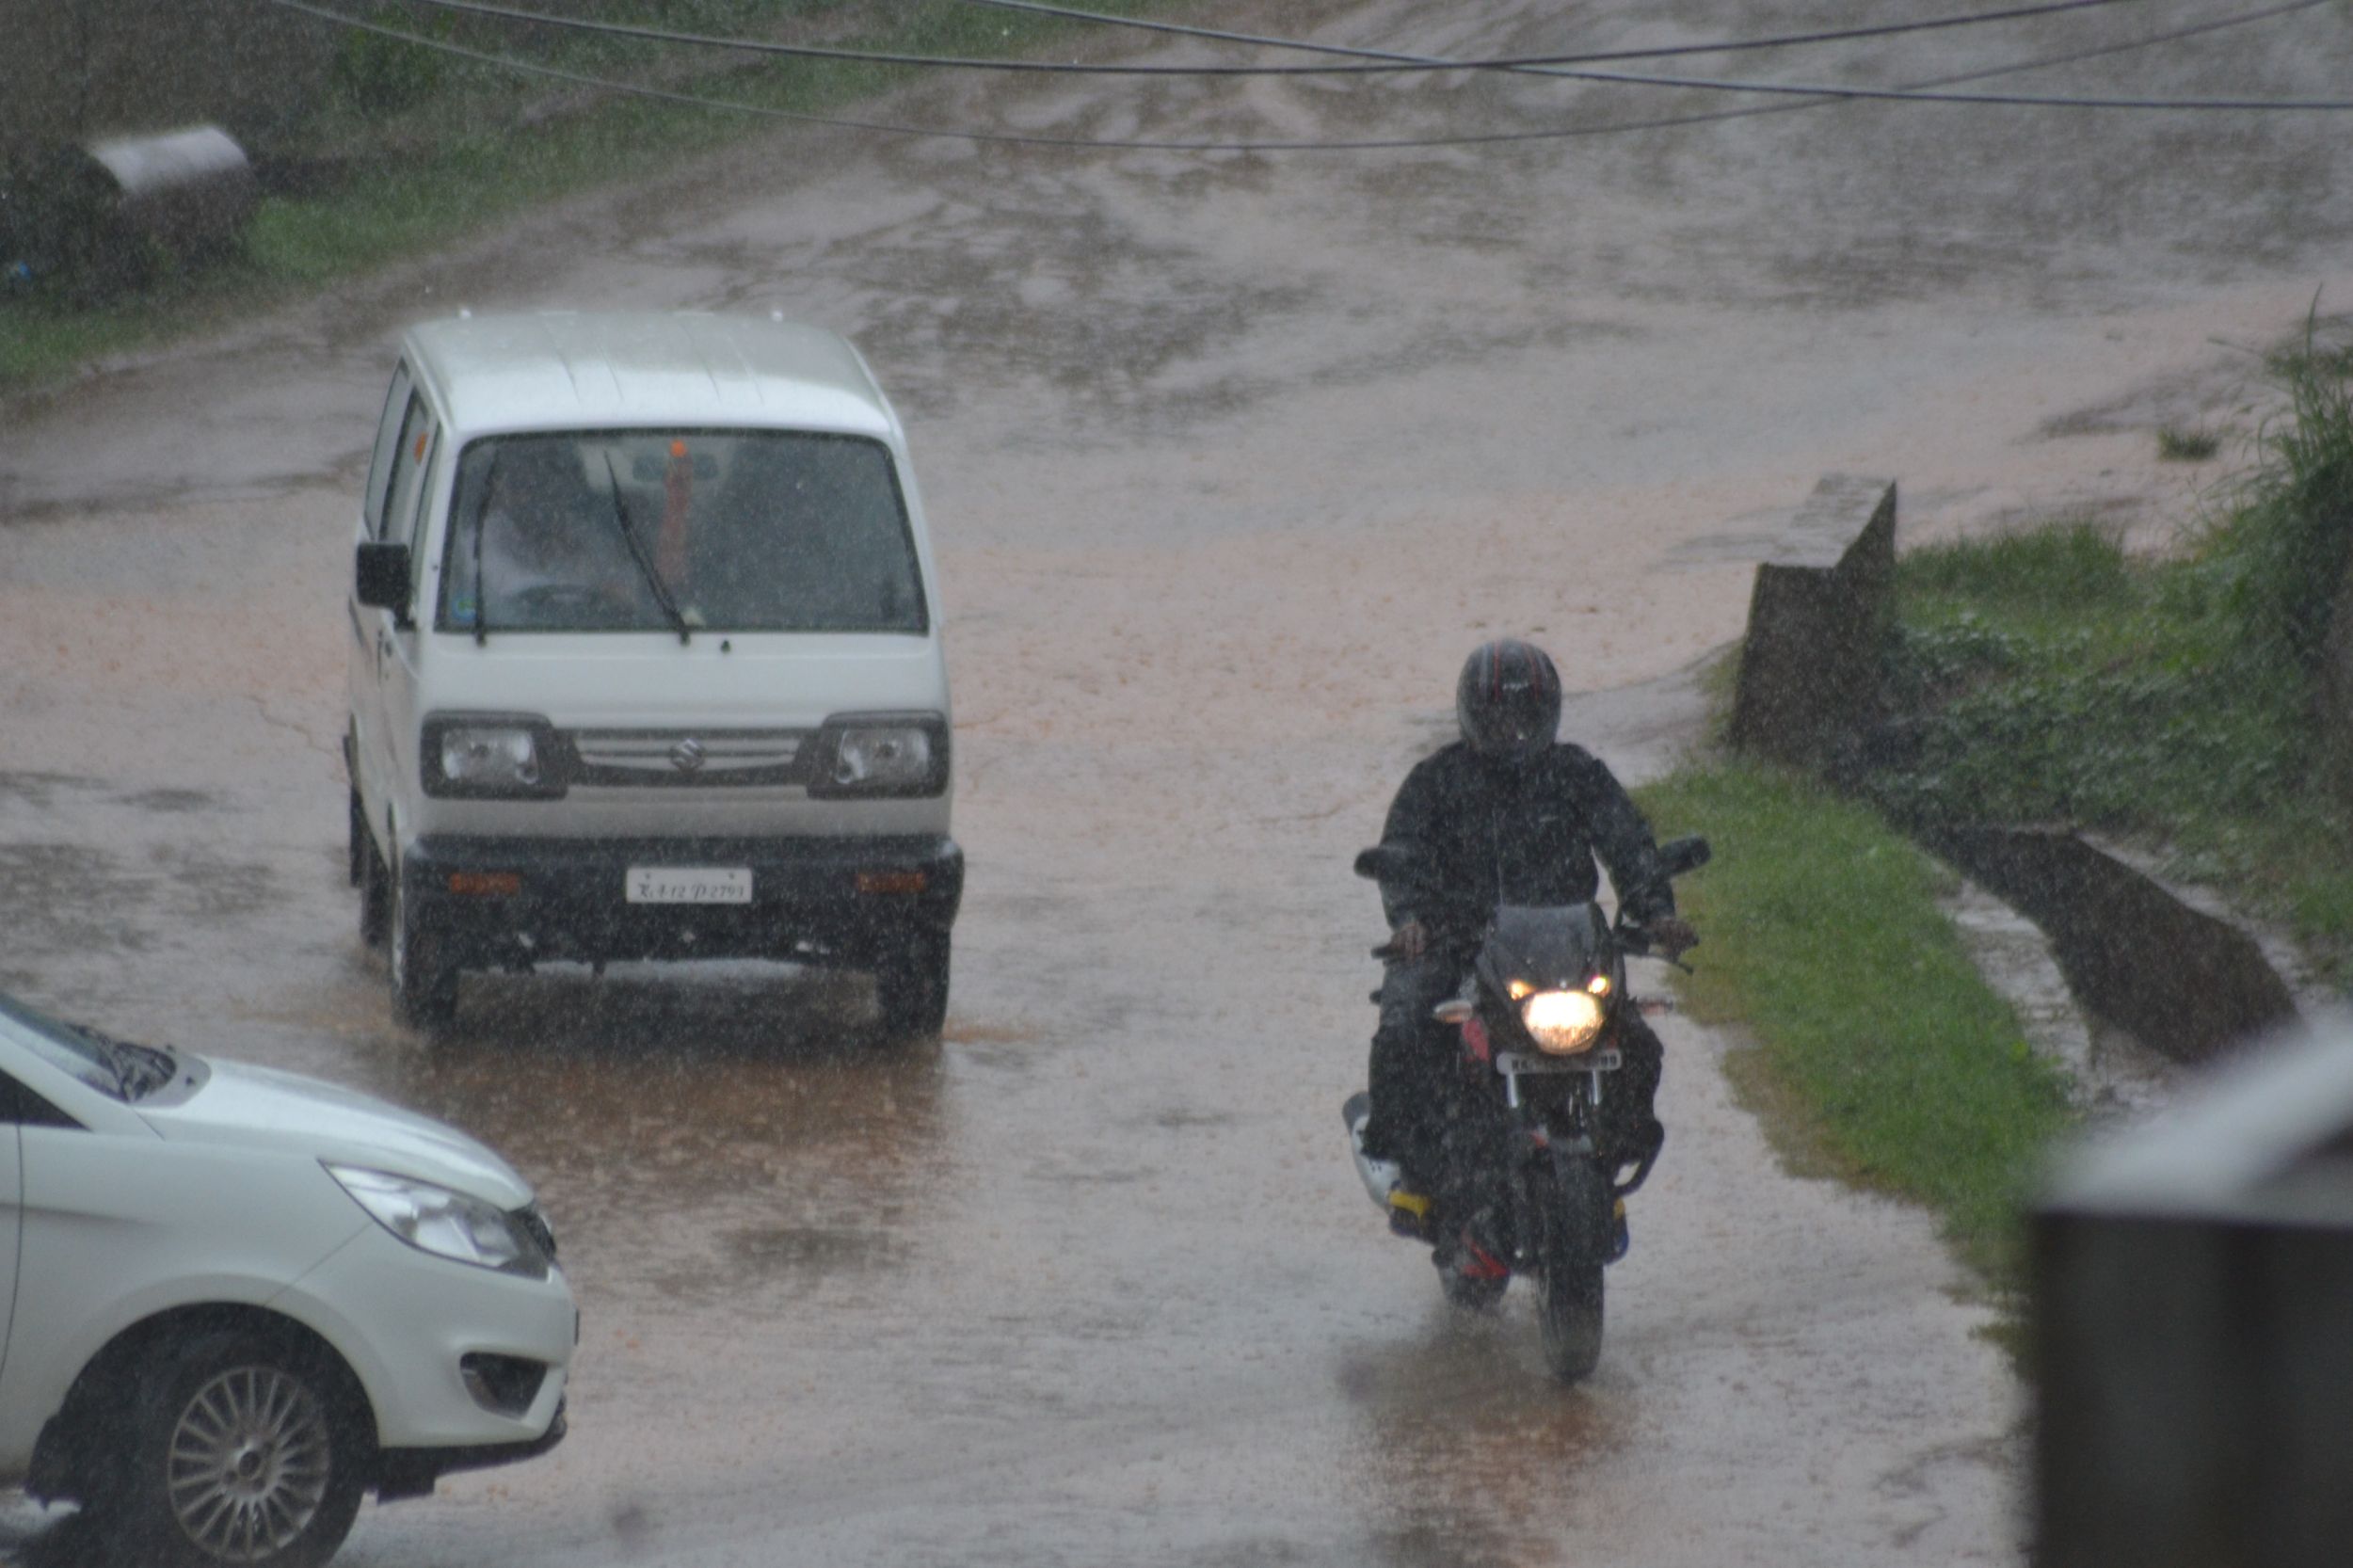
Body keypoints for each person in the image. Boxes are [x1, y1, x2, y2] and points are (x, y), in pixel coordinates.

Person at [1359, 638, 1694, 1267]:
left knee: (1638, 1042)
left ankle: (1608, 1157)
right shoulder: (1436, 781)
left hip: (1566, 948)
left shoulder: (1576, 774)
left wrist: (1659, 912)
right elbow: (1398, 856)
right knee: (1405, 1029)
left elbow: (1628, 843)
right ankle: (1409, 1171)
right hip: (1461, 944)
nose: (1513, 733)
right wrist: (1408, 922)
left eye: (1525, 718)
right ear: (1471, 715)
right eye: (1500, 718)